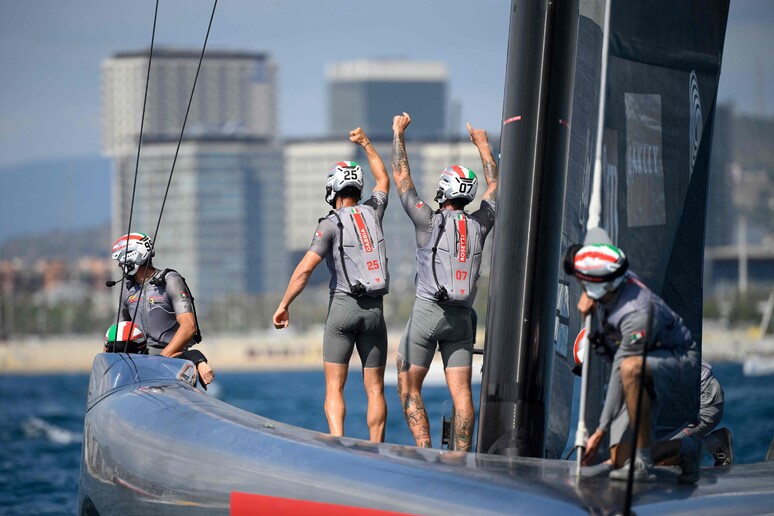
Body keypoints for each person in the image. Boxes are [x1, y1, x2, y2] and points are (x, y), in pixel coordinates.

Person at [272, 127, 390, 443]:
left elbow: (304, 270)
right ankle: (376, 446)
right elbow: (383, 181)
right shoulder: (373, 212)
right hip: (375, 312)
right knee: (375, 388)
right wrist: (366, 143)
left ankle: (337, 442)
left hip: (342, 309)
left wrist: (284, 304)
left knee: (334, 387)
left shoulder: (329, 224)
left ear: (333, 190)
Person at [392, 112, 497, 451]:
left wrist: (398, 133)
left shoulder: (427, 220)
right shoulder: (482, 222)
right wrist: (483, 146)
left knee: (409, 387)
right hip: (461, 319)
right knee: (463, 395)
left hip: (427, 314)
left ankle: (424, 450)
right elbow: (496, 186)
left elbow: (402, 177)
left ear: (443, 191)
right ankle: (460, 458)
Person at [565, 228, 701, 482]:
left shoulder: (635, 313)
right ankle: (687, 449)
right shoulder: (609, 279)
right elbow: (597, 235)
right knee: (618, 459)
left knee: (629, 368)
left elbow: (621, 367)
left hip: (679, 363)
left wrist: (601, 430)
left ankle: (643, 463)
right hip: (641, 366)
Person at [111, 232, 214, 386]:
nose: (120, 266)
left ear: (133, 258)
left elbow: (189, 326)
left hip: (172, 362)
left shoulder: (170, 280)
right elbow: (116, 334)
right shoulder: (127, 288)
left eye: (121, 261)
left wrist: (161, 359)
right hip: (138, 366)